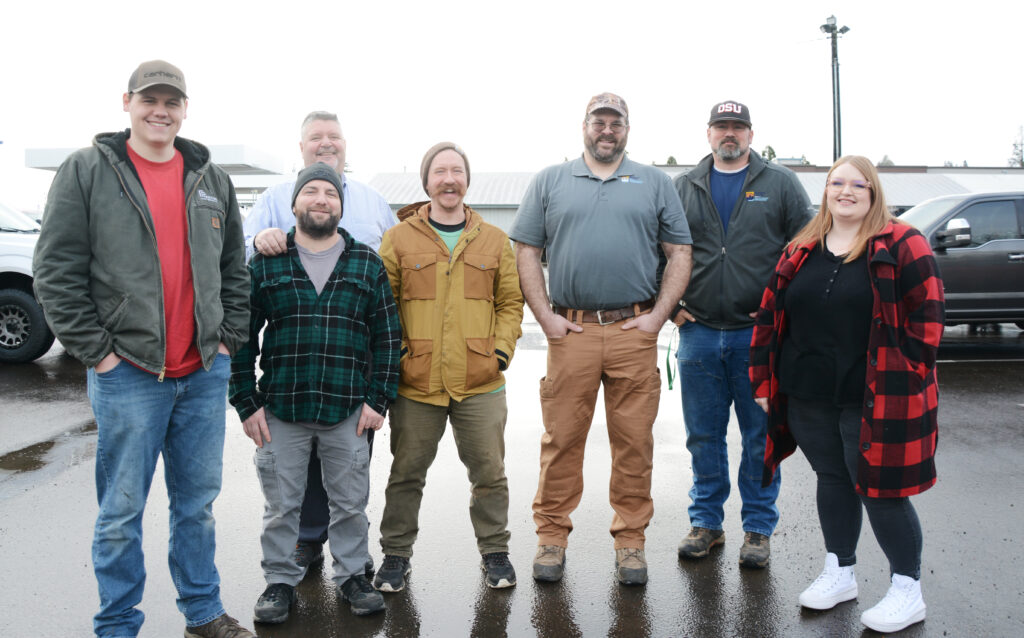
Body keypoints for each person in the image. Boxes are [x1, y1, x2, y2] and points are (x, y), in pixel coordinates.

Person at [32, 60, 254, 638]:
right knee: (121, 512)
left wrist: (227, 342)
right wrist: (97, 353)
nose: (161, 110)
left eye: (171, 101)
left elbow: (235, 269)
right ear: (127, 101)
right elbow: (55, 271)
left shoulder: (211, 179)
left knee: (196, 506)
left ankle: (203, 612)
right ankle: (117, 624)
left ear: (185, 109)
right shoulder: (88, 170)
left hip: (202, 371)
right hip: (128, 371)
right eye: (150, 99)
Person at [750, 155, 944, 633]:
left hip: (875, 393)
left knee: (881, 491)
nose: (847, 192)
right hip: (808, 391)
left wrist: (910, 372)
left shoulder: (902, 242)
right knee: (831, 478)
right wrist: (763, 381)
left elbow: (929, 317)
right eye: (838, 183)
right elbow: (769, 314)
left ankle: (907, 588)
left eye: (859, 184)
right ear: (826, 192)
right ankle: (840, 571)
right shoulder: (802, 246)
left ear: (873, 192)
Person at [510, 93, 693, 586]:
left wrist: (658, 317)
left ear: (627, 128)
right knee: (561, 440)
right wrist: (544, 316)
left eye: (616, 122)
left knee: (634, 443)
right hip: (572, 333)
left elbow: (679, 251)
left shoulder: (655, 181)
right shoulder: (551, 180)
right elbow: (526, 250)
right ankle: (551, 538)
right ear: (584, 126)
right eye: (599, 121)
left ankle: (631, 543)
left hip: (634, 332)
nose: (607, 129)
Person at [229, 163, 401, 620]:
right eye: (312, 192)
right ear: (295, 204)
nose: (321, 199)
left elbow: (387, 336)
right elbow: (241, 337)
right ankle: (279, 584)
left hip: (347, 407)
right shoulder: (267, 263)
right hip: (282, 407)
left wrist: (377, 400)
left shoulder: (366, 263)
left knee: (350, 503)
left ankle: (351, 577)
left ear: (341, 206)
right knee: (282, 505)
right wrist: (246, 403)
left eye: (330, 193)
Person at [374, 142, 524, 592]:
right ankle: (396, 557)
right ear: (426, 182)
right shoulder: (399, 239)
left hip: (480, 382)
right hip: (416, 382)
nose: (449, 179)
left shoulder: (495, 240)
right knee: (405, 475)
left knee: (490, 475)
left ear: (466, 180)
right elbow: (383, 306)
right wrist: (400, 355)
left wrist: (499, 354)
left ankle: (495, 552)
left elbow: (511, 304)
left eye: (457, 171)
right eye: (440, 171)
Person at [672, 101, 812, 568]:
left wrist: (786, 307)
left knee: (760, 436)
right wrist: (670, 305)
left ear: (751, 134)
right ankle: (706, 524)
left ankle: (757, 529)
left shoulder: (781, 183)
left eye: (737, 127)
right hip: (700, 335)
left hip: (760, 337)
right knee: (703, 436)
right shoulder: (684, 186)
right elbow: (660, 249)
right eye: (721, 127)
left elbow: (807, 247)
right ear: (708, 133)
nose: (729, 134)